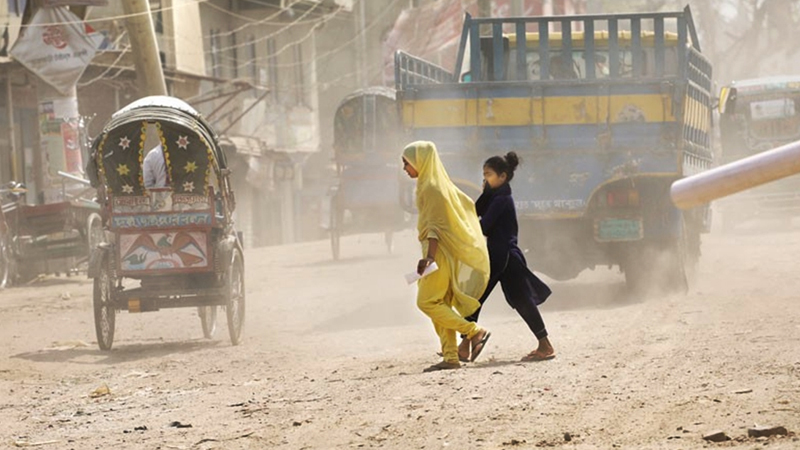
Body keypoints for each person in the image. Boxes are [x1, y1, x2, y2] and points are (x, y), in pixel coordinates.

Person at [456, 152, 556, 363]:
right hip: (502, 256)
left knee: (477, 297)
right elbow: (476, 210)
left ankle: (465, 344)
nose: (485, 178)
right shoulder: (495, 195)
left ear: (503, 176)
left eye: (489, 174)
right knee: (520, 301)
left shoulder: (503, 199)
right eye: (483, 174)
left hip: (504, 256)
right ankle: (544, 345)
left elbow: (483, 225)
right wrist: (484, 192)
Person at [401, 141, 492, 372]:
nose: (404, 168)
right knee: (440, 304)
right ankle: (451, 357)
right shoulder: (431, 185)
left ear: (420, 161)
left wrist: (429, 257)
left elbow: (435, 226)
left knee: (426, 302)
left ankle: (473, 332)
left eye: (406, 163)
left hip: (438, 253)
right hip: (440, 252)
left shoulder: (431, 188)